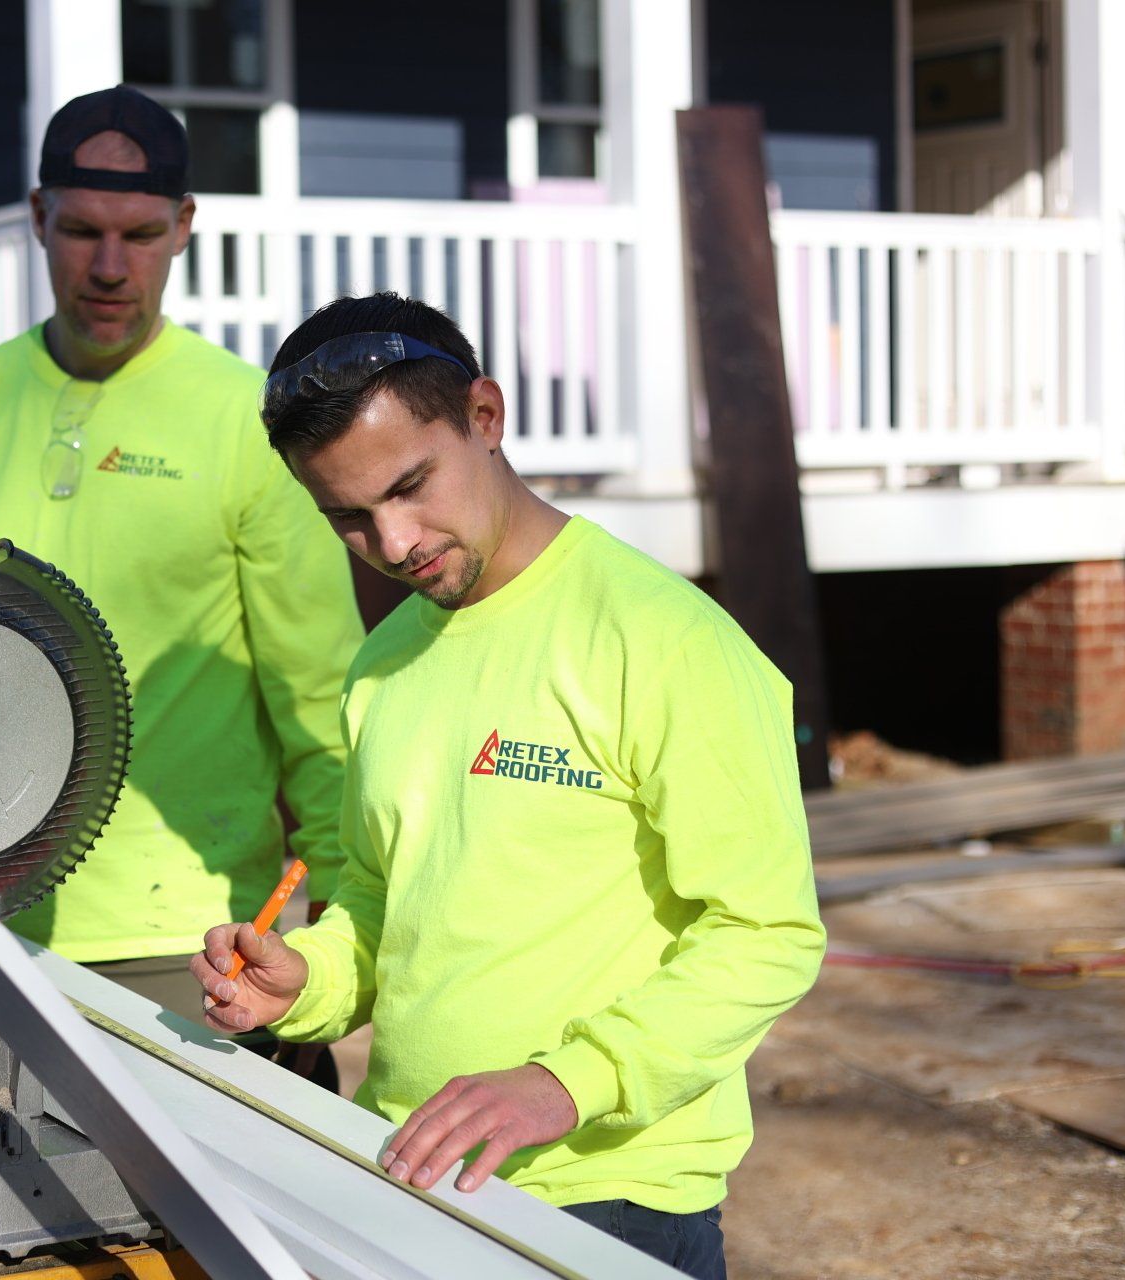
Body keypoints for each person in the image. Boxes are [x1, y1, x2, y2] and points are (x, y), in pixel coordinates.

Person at [189, 292, 825, 1278]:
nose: (393, 541)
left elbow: (765, 934)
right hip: (409, 1171)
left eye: (410, 486)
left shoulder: (666, 641)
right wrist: (303, 981)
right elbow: (380, 903)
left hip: (609, 1198)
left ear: (484, 416)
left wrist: (564, 1082)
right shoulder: (384, 662)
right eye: (349, 517)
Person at [0, 87, 363, 1030]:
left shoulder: (248, 424)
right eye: (82, 230)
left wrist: (342, 919)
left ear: (185, 227)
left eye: (142, 233)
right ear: (38, 218)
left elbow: (319, 695)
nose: (112, 267)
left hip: (180, 935)